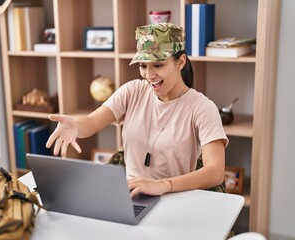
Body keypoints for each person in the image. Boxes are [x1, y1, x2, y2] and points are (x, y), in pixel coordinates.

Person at [46, 22, 228, 198]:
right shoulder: (132, 91)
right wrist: (75, 126)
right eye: (143, 66)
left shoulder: (202, 108)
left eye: (158, 65)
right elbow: (92, 122)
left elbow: (215, 172)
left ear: (180, 62)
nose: (149, 75)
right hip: (129, 196)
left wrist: (164, 185)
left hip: (175, 197)